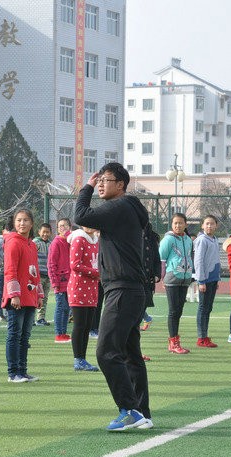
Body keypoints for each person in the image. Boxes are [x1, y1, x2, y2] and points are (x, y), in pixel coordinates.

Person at [74, 163, 153, 432]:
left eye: (105, 180)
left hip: (122, 290)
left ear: (120, 185)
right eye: (98, 181)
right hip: (131, 290)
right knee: (130, 354)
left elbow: (81, 215)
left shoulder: (119, 205)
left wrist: (86, 187)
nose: (100, 184)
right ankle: (142, 412)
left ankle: (129, 410)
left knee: (106, 352)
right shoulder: (128, 208)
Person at [2, 210, 43, 383]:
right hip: (17, 298)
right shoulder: (13, 242)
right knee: (15, 334)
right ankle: (13, 373)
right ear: (14, 223)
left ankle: (23, 370)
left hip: (30, 296)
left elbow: (35, 271)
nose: (22, 223)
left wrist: (39, 294)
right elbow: (10, 270)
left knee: (25, 336)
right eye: (18, 220)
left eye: (26, 220)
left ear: (31, 223)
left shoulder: (31, 244)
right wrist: (14, 294)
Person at [160, 213, 194, 354]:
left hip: (185, 280)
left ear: (185, 224)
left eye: (180, 223)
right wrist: (162, 278)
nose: (178, 225)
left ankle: (174, 341)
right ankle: (173, 342)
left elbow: (189, 256)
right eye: (175, 223)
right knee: (173, 311)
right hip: (172, 279)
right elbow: (162, 259)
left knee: (179, 311)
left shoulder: (188, 240)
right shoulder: (168, 239)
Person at [67, 225, 100, 372]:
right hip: (79, 288)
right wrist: (96, 273)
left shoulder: (96, 240)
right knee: (80, 325)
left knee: (87, 326)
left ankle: (83, 359)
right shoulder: (79, 239)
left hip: (92, 287)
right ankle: (78, 359)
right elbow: (75, 264)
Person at [193, 215, 221, 348]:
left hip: (213, 279)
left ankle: (205, 335)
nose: (209, 226)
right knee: (203, 308)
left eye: (212, 223)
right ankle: (201, 337)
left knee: (208, 308)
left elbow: (215, 259)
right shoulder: (202, 240)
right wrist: (201, 281)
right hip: (205, 279)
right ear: (202, 226)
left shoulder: (214, 239)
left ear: (216, 225)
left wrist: (217, 278)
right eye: (207, 223)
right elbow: (198, 261)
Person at [48, 217, 72, 343]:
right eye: (60, 226)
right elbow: (51, 264)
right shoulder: (56, 243)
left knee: (67, 308)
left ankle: (63, 332)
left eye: (65, 225)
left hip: (70, 281)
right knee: (60, 307)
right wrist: (55, 282)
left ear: (70, 227)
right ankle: (59, 333)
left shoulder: (71, 241)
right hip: (60, 280)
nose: (63, 228)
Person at [33, 223, 52, 326]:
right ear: (39, 232)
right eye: (43, 232)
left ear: (50, 233)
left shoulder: (51, 244)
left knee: (44, 297)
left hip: (47, 275)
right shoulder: (35, 242)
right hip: (38, 275)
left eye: (47, 232)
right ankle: (31, 318)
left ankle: (41, 318)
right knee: (35, 296)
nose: (45, 234)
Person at [0, 221, 9, 321]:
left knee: (8, 292)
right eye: (7, 230)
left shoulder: (10, 240)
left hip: (8, 271)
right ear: (3, 231)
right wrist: (0, 263)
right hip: (1, 271)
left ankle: (6, 312)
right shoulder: (0, 241)